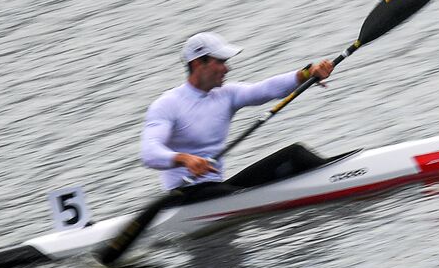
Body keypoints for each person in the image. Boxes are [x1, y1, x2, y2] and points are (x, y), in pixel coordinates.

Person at [140, 31, 335, 196]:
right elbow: (149, 153)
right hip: (185, 195)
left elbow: (265, 89)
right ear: (199, 63)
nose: (227, 68)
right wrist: (184, 159)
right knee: (219, 191)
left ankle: (337, 176)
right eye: (221, 62)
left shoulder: (227, 94)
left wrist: (307, 74)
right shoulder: (167, 104)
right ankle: (339, 179)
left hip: (218, 190)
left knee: (296, 155)